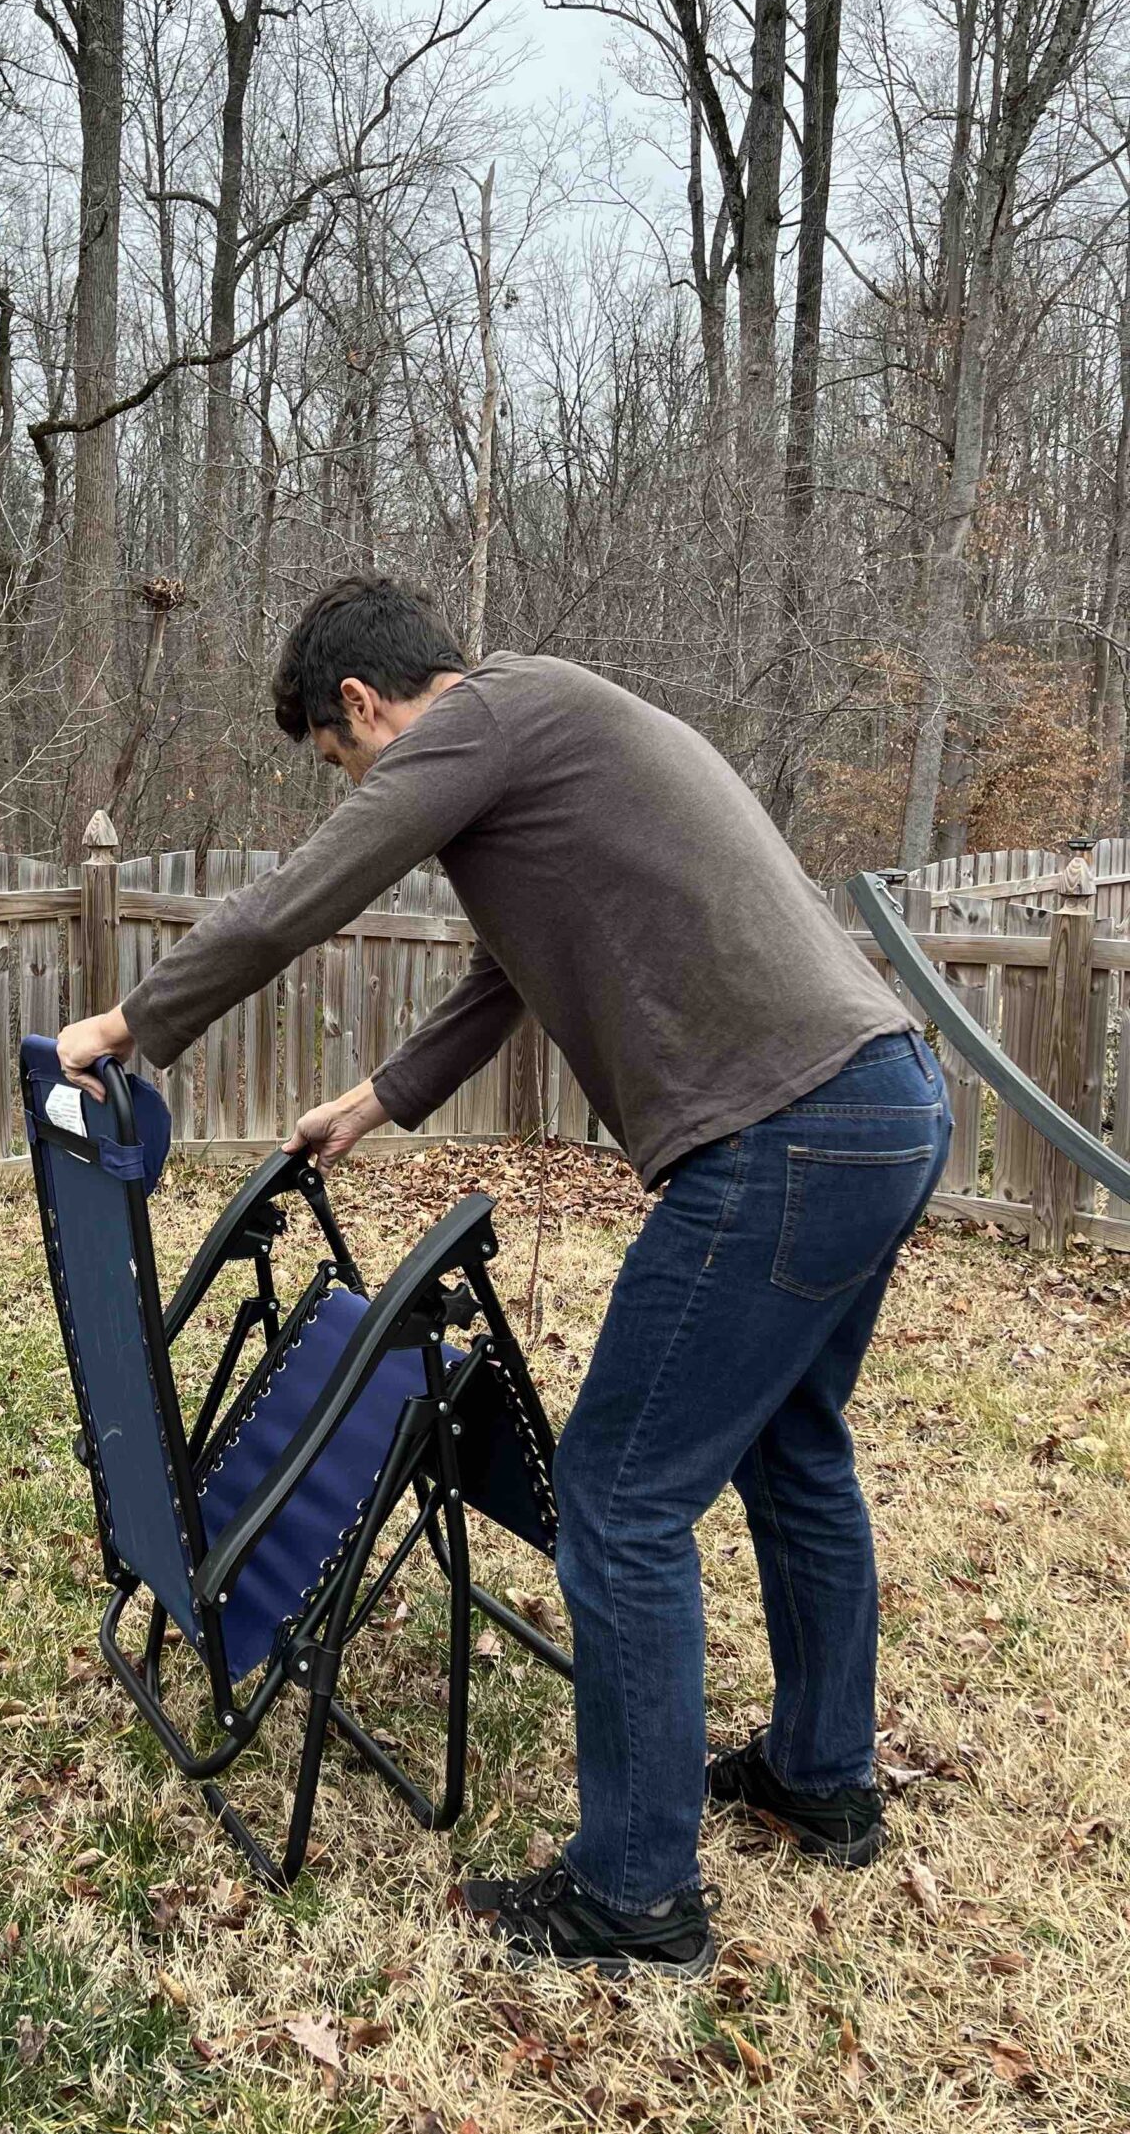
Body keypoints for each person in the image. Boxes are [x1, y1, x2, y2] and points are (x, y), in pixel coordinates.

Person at [55, 577, 951, 1977]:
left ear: (362, 704)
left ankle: (638, 1891)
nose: (357, 781)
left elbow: (304, 899)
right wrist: (375, 1101)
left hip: (780, 1135)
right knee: (795, 1457)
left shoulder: (479, 725)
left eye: (340, 759)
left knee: (619, 1493)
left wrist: (136, 1021)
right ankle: (823, 1776)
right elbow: (508, 976)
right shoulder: (551, 726)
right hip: (882, 1101)